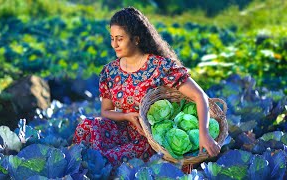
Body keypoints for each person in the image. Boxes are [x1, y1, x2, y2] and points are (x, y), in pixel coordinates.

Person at [73, 6, 221, 173]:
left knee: (111, 159)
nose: (114, 44)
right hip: (122, 129)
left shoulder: (161, 67)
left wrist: (204, 133)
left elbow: (199, 96)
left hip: (150, 138)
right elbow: (106, 111)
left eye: (120, 38)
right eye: (112, 38)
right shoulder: (110, 71)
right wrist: (126, 116)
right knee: (87, 125)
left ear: (136, 39)